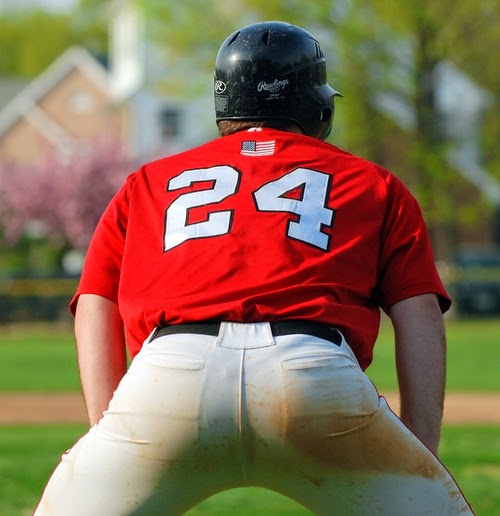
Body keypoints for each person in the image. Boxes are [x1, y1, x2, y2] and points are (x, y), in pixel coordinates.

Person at [35, 21, 473, 515]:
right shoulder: (373, 182)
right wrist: (422, 455)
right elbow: (418, 314)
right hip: (312, 372)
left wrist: (108, 429)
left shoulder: (149, 181)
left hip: (169, 373)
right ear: (317, 105)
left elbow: (96, 300)